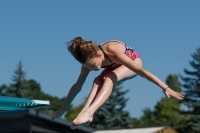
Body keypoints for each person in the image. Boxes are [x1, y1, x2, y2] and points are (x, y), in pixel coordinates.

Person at [50, 37, 184, 129]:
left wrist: (165, 87)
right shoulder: (87, 63)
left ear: (99, 55)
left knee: (108, 79)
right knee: (97, 80)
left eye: (91, 65)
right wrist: (63, 109)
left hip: (134, 62)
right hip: (113, 66)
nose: (90, 69)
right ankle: (84, 112)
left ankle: (90, 112)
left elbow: (142, 72)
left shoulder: (113, 52)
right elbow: (77, 87)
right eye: (87, 66)